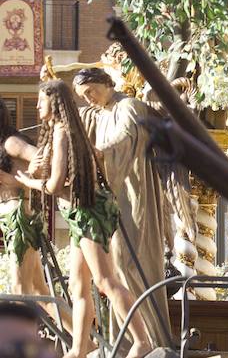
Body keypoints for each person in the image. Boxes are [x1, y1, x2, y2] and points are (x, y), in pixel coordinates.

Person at [14, 80, 151, 358]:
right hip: (79, 213)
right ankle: (78, 348)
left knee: (104, 280)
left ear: (54, 103)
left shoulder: (63, 132)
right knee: (78, 285)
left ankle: (142, 340)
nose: (38, 105)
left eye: (42, 101)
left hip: (88, 211)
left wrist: (28, 182)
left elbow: (54, 185)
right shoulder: (61, 131)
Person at [72, 68, 171, 347]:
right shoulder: (99, 113)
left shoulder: (129, 106)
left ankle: (151, 338)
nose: (89, 98)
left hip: (134, 194)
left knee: (130, 261)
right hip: (112, 198)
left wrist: (100, 153)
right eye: (83, 95)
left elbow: (124, 140)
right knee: (114, 268)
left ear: (107, 83)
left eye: (91, 90)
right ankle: (126, 340)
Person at [0, 101, 70, 330]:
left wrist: (31, 173)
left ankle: (18, 347)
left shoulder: (11, 142)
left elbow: (42, 157)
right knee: (40, 292)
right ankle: (86, 342)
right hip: (13, 217)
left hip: (19, 216)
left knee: (20, 288)